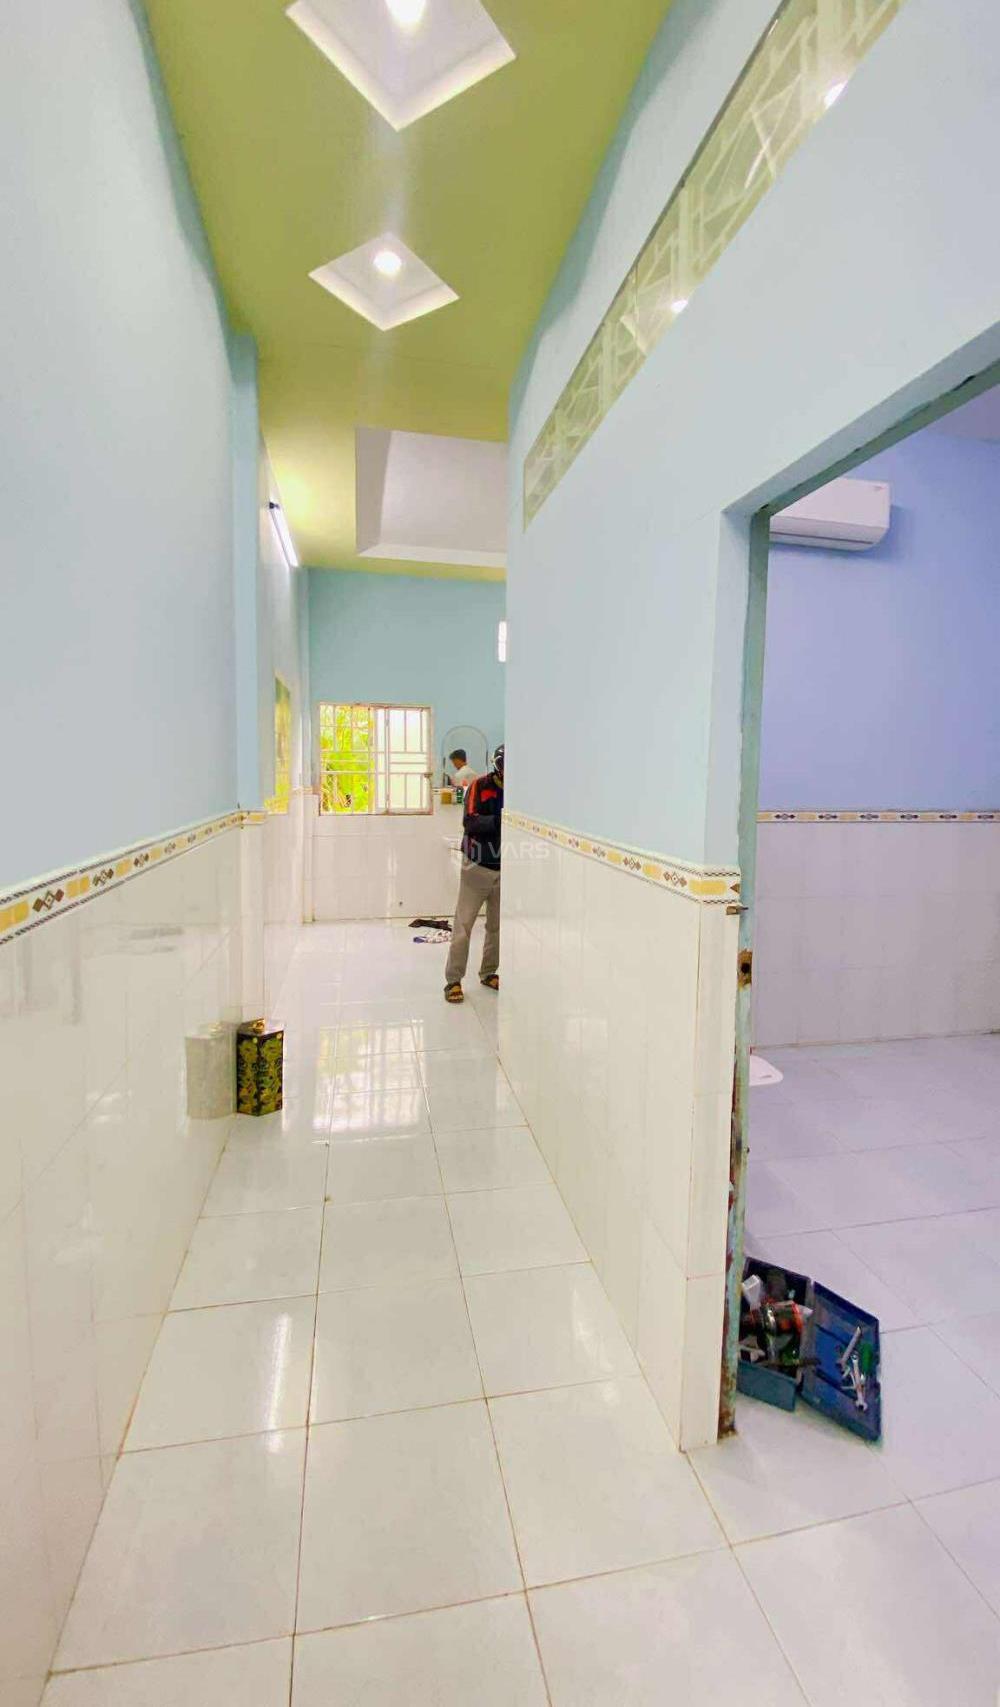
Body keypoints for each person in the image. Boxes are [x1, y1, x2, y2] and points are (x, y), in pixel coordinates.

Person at [444, 745, 504, 1003]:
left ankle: (489, 972)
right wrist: (500, 820)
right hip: (476, 865)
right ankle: (453, 980)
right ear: (498, 768)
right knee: (464, 925)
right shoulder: (479, 786)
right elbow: (469, 822)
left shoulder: (518, 791)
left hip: (504, 867)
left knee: (496, 926)